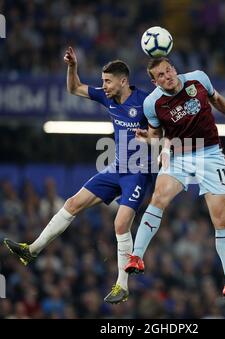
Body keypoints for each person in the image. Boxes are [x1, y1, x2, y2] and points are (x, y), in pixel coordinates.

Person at [4, 47, 154, 304]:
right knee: (72, 203)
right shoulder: (107, 98)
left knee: (120, 224)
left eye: (107, 81)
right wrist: (72, 67)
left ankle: (122, 285)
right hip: (117, 168)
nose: (103, 85)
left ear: (123, 81)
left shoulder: (145, 101)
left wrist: (149, 137)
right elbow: (74, 89)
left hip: (139, 174)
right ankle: (32, 251)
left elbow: (162, 134)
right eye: (103, 81)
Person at [125, 57, 225, 303]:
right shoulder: (152, 103)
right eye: (160, 75)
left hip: (210, 154)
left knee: (221, 219)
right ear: (154, 81)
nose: (167, 76)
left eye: (168, 70)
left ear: (174, 69)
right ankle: (136, 256)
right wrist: (147, 138)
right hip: (178, 154)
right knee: (158, 198)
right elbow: (158, 135)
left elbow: (218, 100)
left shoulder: (198, 79)